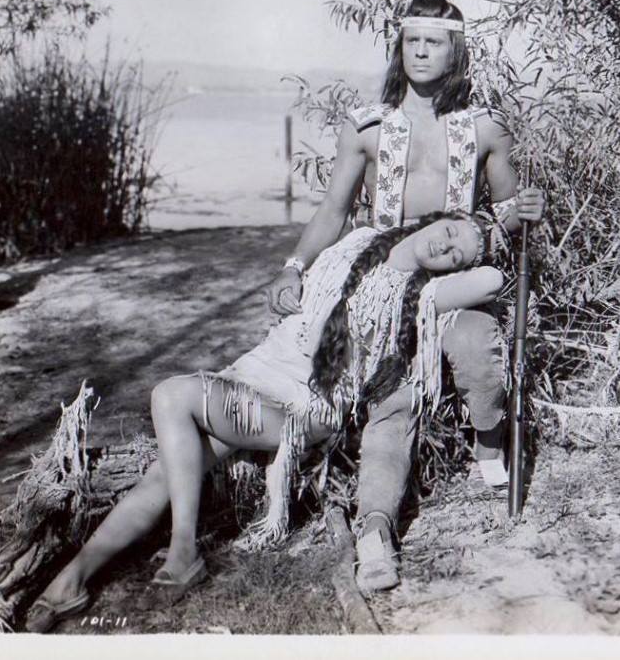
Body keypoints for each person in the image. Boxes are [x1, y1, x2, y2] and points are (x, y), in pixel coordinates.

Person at [25, 211, 502, 632]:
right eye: (451, 231)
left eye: (456, 254)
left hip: (303, 408)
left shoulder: (422, 294)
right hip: (251, 374)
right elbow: (305, 273)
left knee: (171, 394)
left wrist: (490, 231)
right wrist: (292, 273)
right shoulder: (358, 241)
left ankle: (184, 550)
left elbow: (492, 280)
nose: (447, 246)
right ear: (436, 217)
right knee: (163, 477)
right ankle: (74, 577)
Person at [264, 0, 545, 591]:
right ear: (400, 47)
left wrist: (525, 210)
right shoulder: (368, 127)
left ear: (455, 50)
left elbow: (507, 214)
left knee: (476, 346)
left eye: (434, 41)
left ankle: (489, 439)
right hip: (382, 282)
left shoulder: (485, 127)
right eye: (411, 40)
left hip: (453, 282)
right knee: (389, 397)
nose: (421, 51)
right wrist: (294, 268)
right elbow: (332, 212)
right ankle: (374, 531)